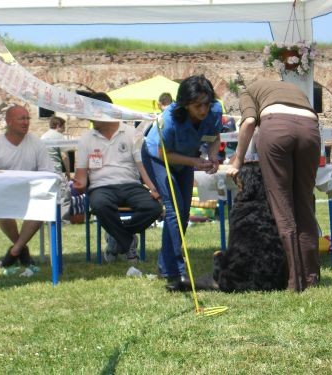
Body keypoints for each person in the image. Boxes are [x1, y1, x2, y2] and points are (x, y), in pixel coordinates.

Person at [226, 80, 321, 292]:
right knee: (305, 205)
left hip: (276, 128)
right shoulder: (293, 89)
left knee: (282, 206)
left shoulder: (248, 91)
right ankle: (311, 278)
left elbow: (249, 121)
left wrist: (237, 160)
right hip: (310, 128)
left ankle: (294, 281)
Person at [142, 74, 222, 290]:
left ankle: (164, 264)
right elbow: (163, 153)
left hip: (185, 157)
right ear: (185, 104)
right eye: (198, 106)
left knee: (183, 213)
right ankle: (176, 273)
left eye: (206, 104)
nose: (203, 110)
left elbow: (214, 137)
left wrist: (212, 156)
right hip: (158, 157)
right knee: (174, 210)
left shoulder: (214, 111)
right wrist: (194, 161)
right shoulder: (169, 119)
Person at [73, 92, 162, 262]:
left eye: (92, 114)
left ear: (106, 111)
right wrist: (78, 184)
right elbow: (81, 176)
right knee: (99, 205)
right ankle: (128, 243)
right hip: (101, 186)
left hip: (131, 184)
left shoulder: (131, 133)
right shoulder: (86, 139)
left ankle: (117, 238)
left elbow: (141, 165)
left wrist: (153, 188)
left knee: (154, 208)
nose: (89, 119)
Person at [0, 105, 54, 267]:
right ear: (9, 122)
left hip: (32, 194)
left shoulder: (37, 144)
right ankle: (21, 249)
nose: (26, 122)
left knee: (42, 206)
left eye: (28, 118)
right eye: (21, 119)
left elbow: (47, 172)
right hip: (4, 194)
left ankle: (15, 250)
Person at [41, 115, 72, 220]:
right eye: (64, 126)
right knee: (64, 194)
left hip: (44, 170)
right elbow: (64, 156)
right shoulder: (58, 136)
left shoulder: (43, 136)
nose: (64, 129)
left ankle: (48, 218)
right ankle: (63, 220)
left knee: (48, 195)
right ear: (58, 125)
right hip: (55, 170)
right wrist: (68, 173)